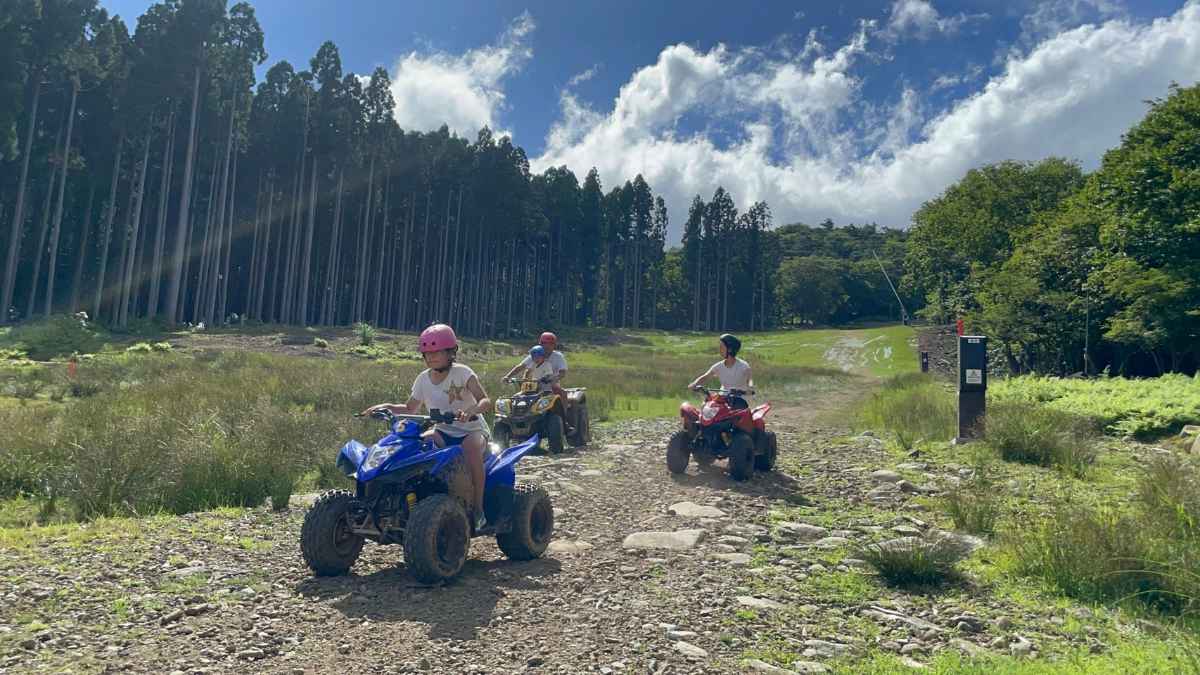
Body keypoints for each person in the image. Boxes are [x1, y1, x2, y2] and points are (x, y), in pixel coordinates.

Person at [361, 324, 493, 530]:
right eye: (427, 353)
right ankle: (423, 500)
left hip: (472, 430)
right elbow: (409, 408)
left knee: (471, 449)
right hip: (443, 431)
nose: (431, 357)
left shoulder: (463, 373)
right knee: (421, 444)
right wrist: (385, 407)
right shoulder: (423, 379)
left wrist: (472, 411)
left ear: (450, 352)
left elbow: (485, 400)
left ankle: (478, 509)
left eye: (437, 352)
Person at [688, 333, 753, 409]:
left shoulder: (744, 366)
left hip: (739, 400)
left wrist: (750, 389)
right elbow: (705, 377)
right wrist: (694, 384)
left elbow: (750, 380)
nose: (719, 349)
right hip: (722, 398)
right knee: (706, 407)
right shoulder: (719, 366)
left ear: (730, 349)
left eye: (722, 347)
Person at [505, 331, 568, 397]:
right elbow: (521, 367)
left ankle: (565, 407)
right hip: (533, 387)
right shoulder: (535, 355)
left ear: (554, 345)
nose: (547, 346)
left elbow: (562, 373)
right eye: (544, 343)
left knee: (560, 393)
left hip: (551, 387)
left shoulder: (558, 356)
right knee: (516, 397)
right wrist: (508, 376)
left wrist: (553, 379)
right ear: (540, 344)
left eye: (550, 343)